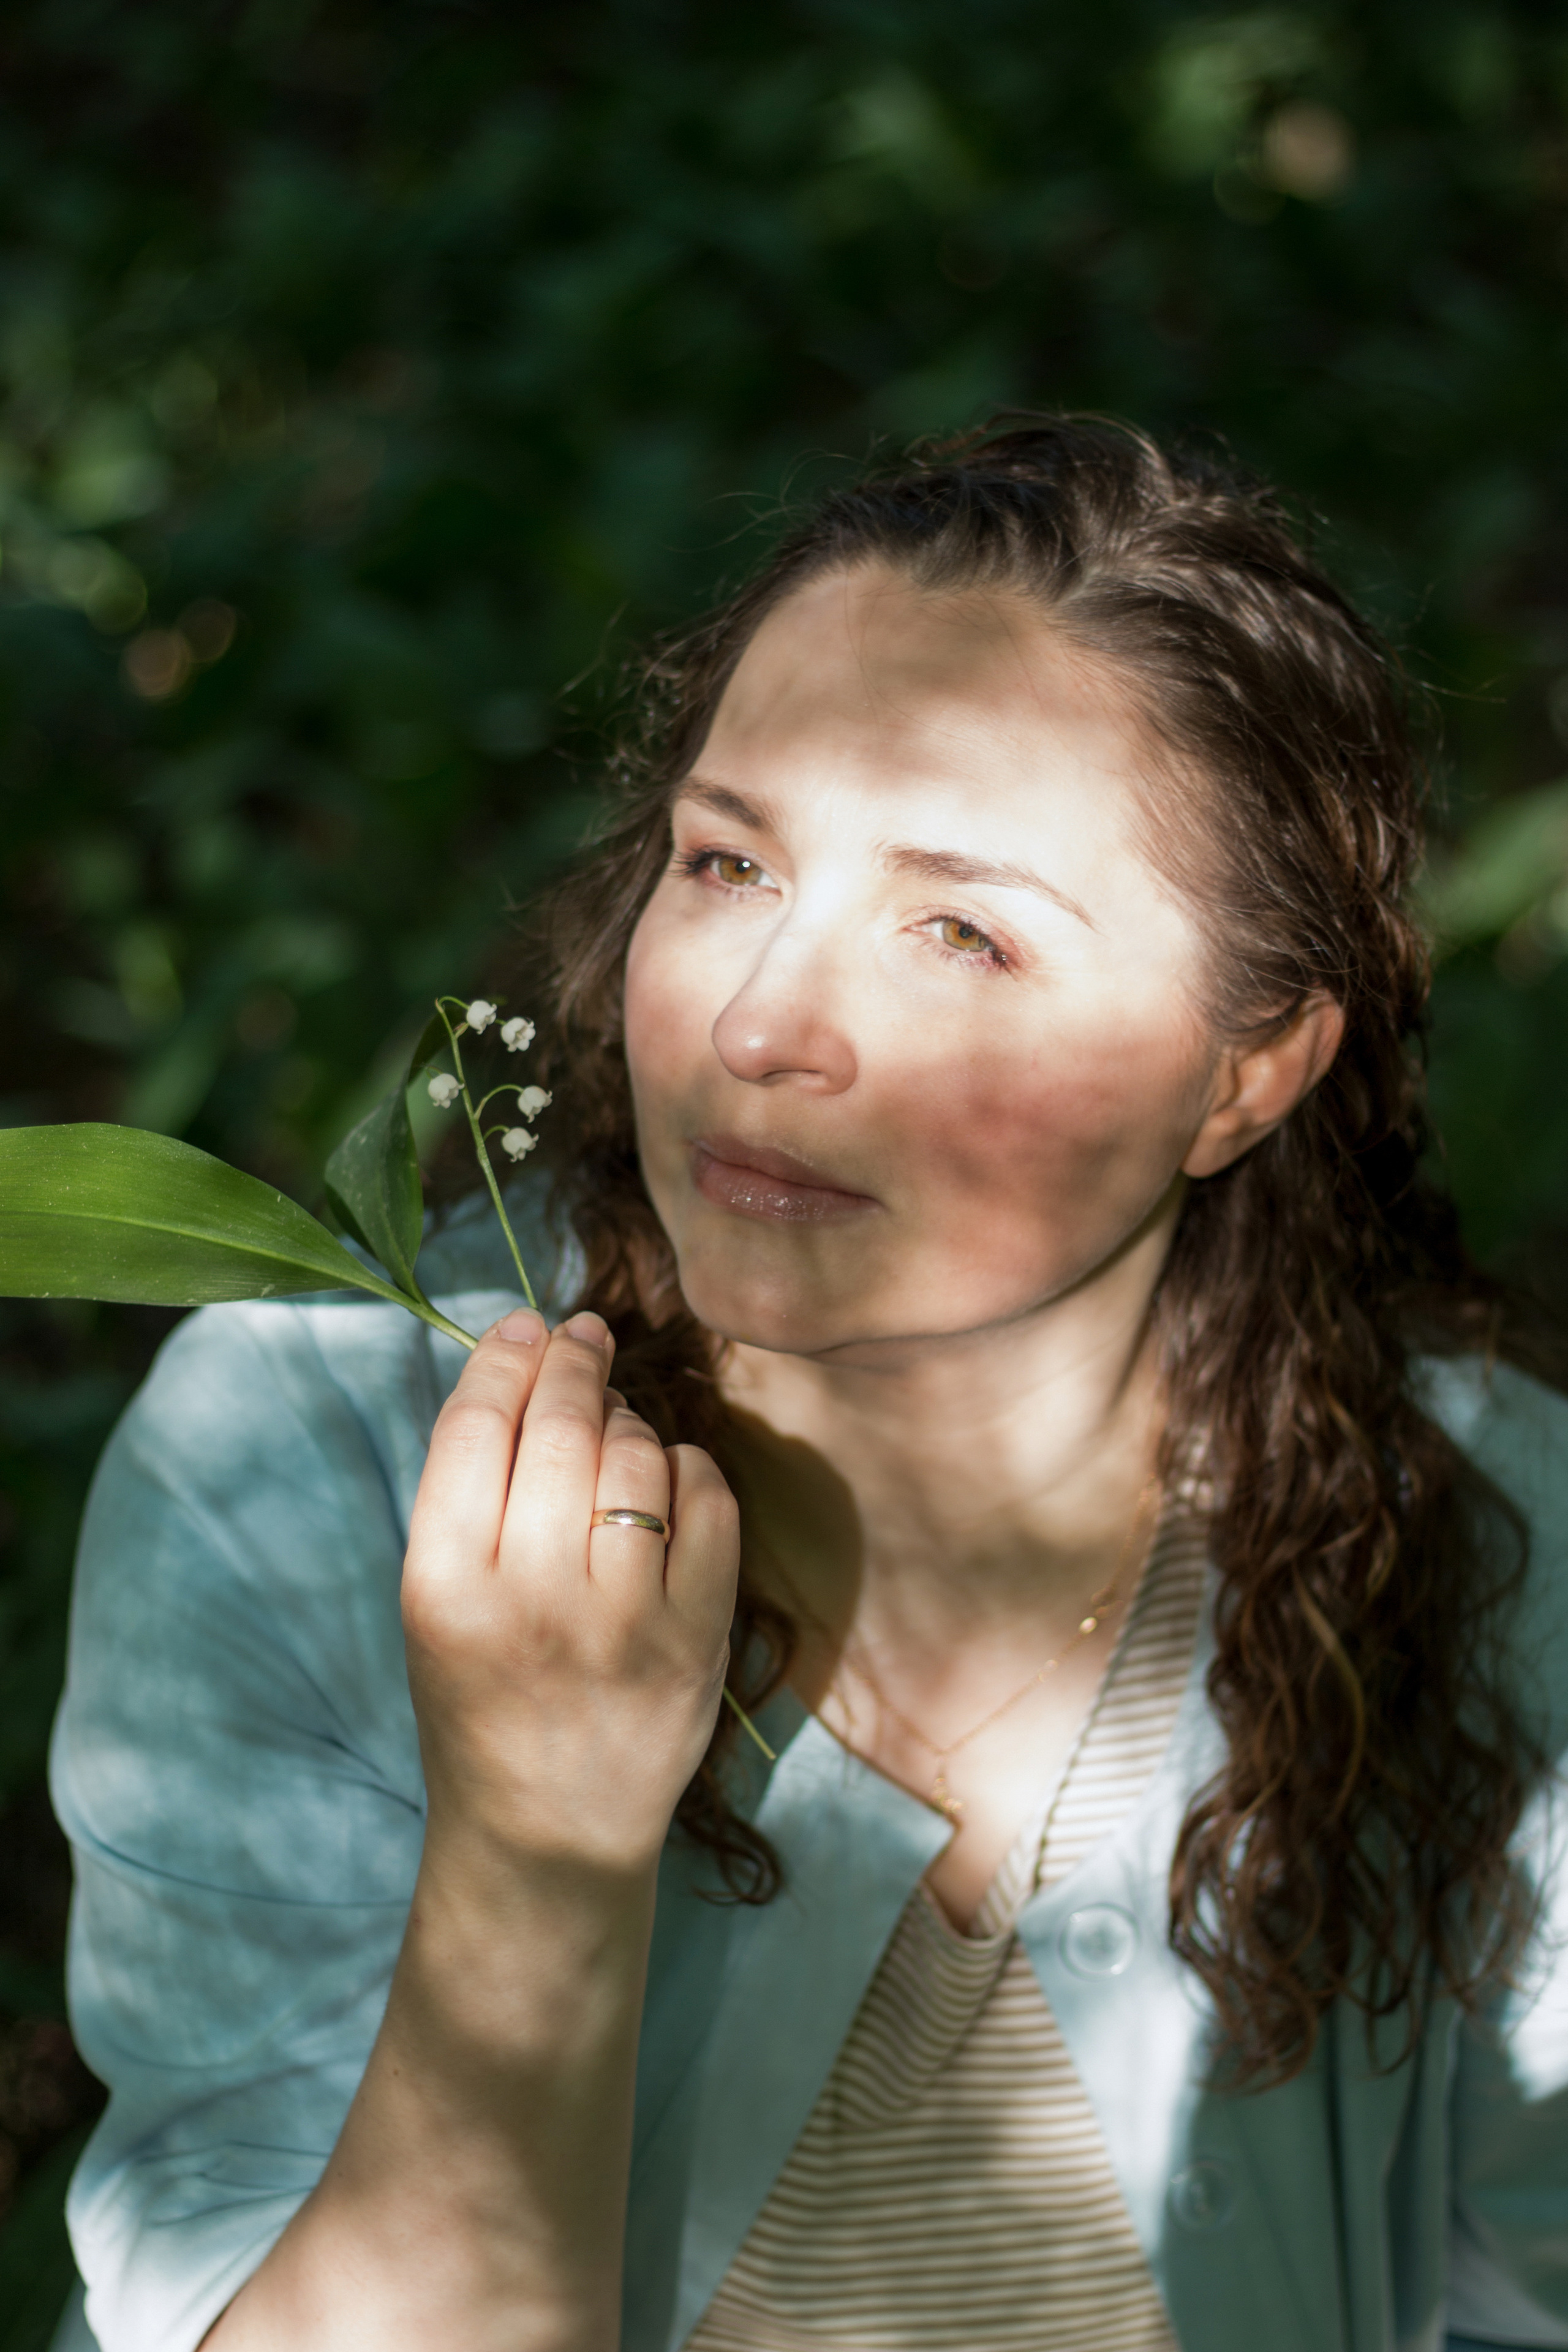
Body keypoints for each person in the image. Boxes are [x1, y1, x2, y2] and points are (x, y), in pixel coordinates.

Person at [49, 417, 1568, 2352]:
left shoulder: (1496, 1548)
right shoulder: (312, 1470)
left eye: (961, 931)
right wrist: (534, 1848)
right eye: (730, 862)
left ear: (1245, 1075)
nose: (761, 1023)